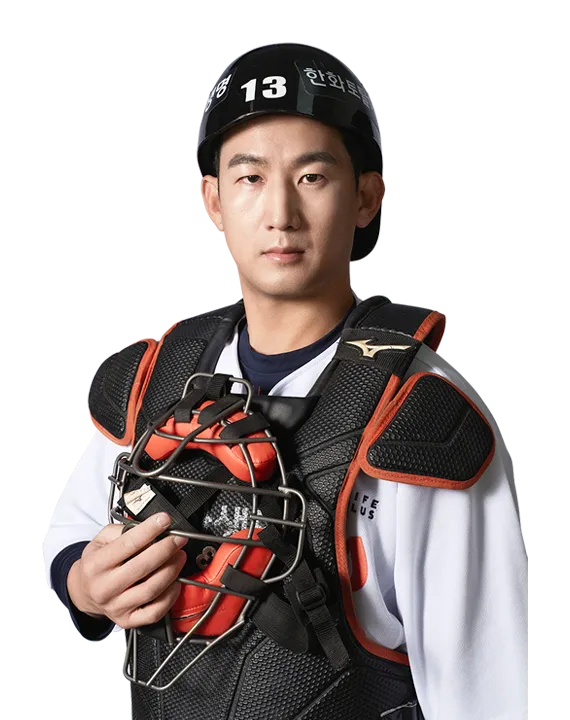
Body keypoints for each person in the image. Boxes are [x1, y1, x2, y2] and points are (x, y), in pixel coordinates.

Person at [42, 42, 528, 720]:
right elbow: (72, 537)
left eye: (312, 177)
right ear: (213, 199)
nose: (280, 213)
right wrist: (86, 584)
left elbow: (490, 689)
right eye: (249, 177)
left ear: (366, 196)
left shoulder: (420, 416)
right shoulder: (163, 376)